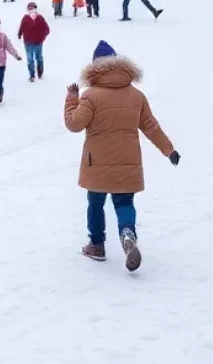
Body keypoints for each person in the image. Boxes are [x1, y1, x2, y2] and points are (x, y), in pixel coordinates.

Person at [64, 41, 180, 271]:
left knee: (95, 203)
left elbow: (74, 124)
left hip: (96, 162)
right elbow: (151, 127)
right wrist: (169, 150)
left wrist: (71, 99)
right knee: (124, 201)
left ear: (95, 68)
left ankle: (97, 245)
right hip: (128, 162)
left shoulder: (90, 96)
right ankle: (128, 234)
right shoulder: (136, 96)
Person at [17, 1, 50, 81]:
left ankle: (40, 72)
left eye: (33, 8)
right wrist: (19, 34)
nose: (32, 11)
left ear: (36, 9)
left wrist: (42, 37)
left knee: (39, 57)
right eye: (29, 9)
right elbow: (21, 27)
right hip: (28, 43)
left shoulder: (40, 18)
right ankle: (32, 75)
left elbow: (47, 29)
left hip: (38, 42)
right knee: (30, 59)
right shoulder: (25, 18)